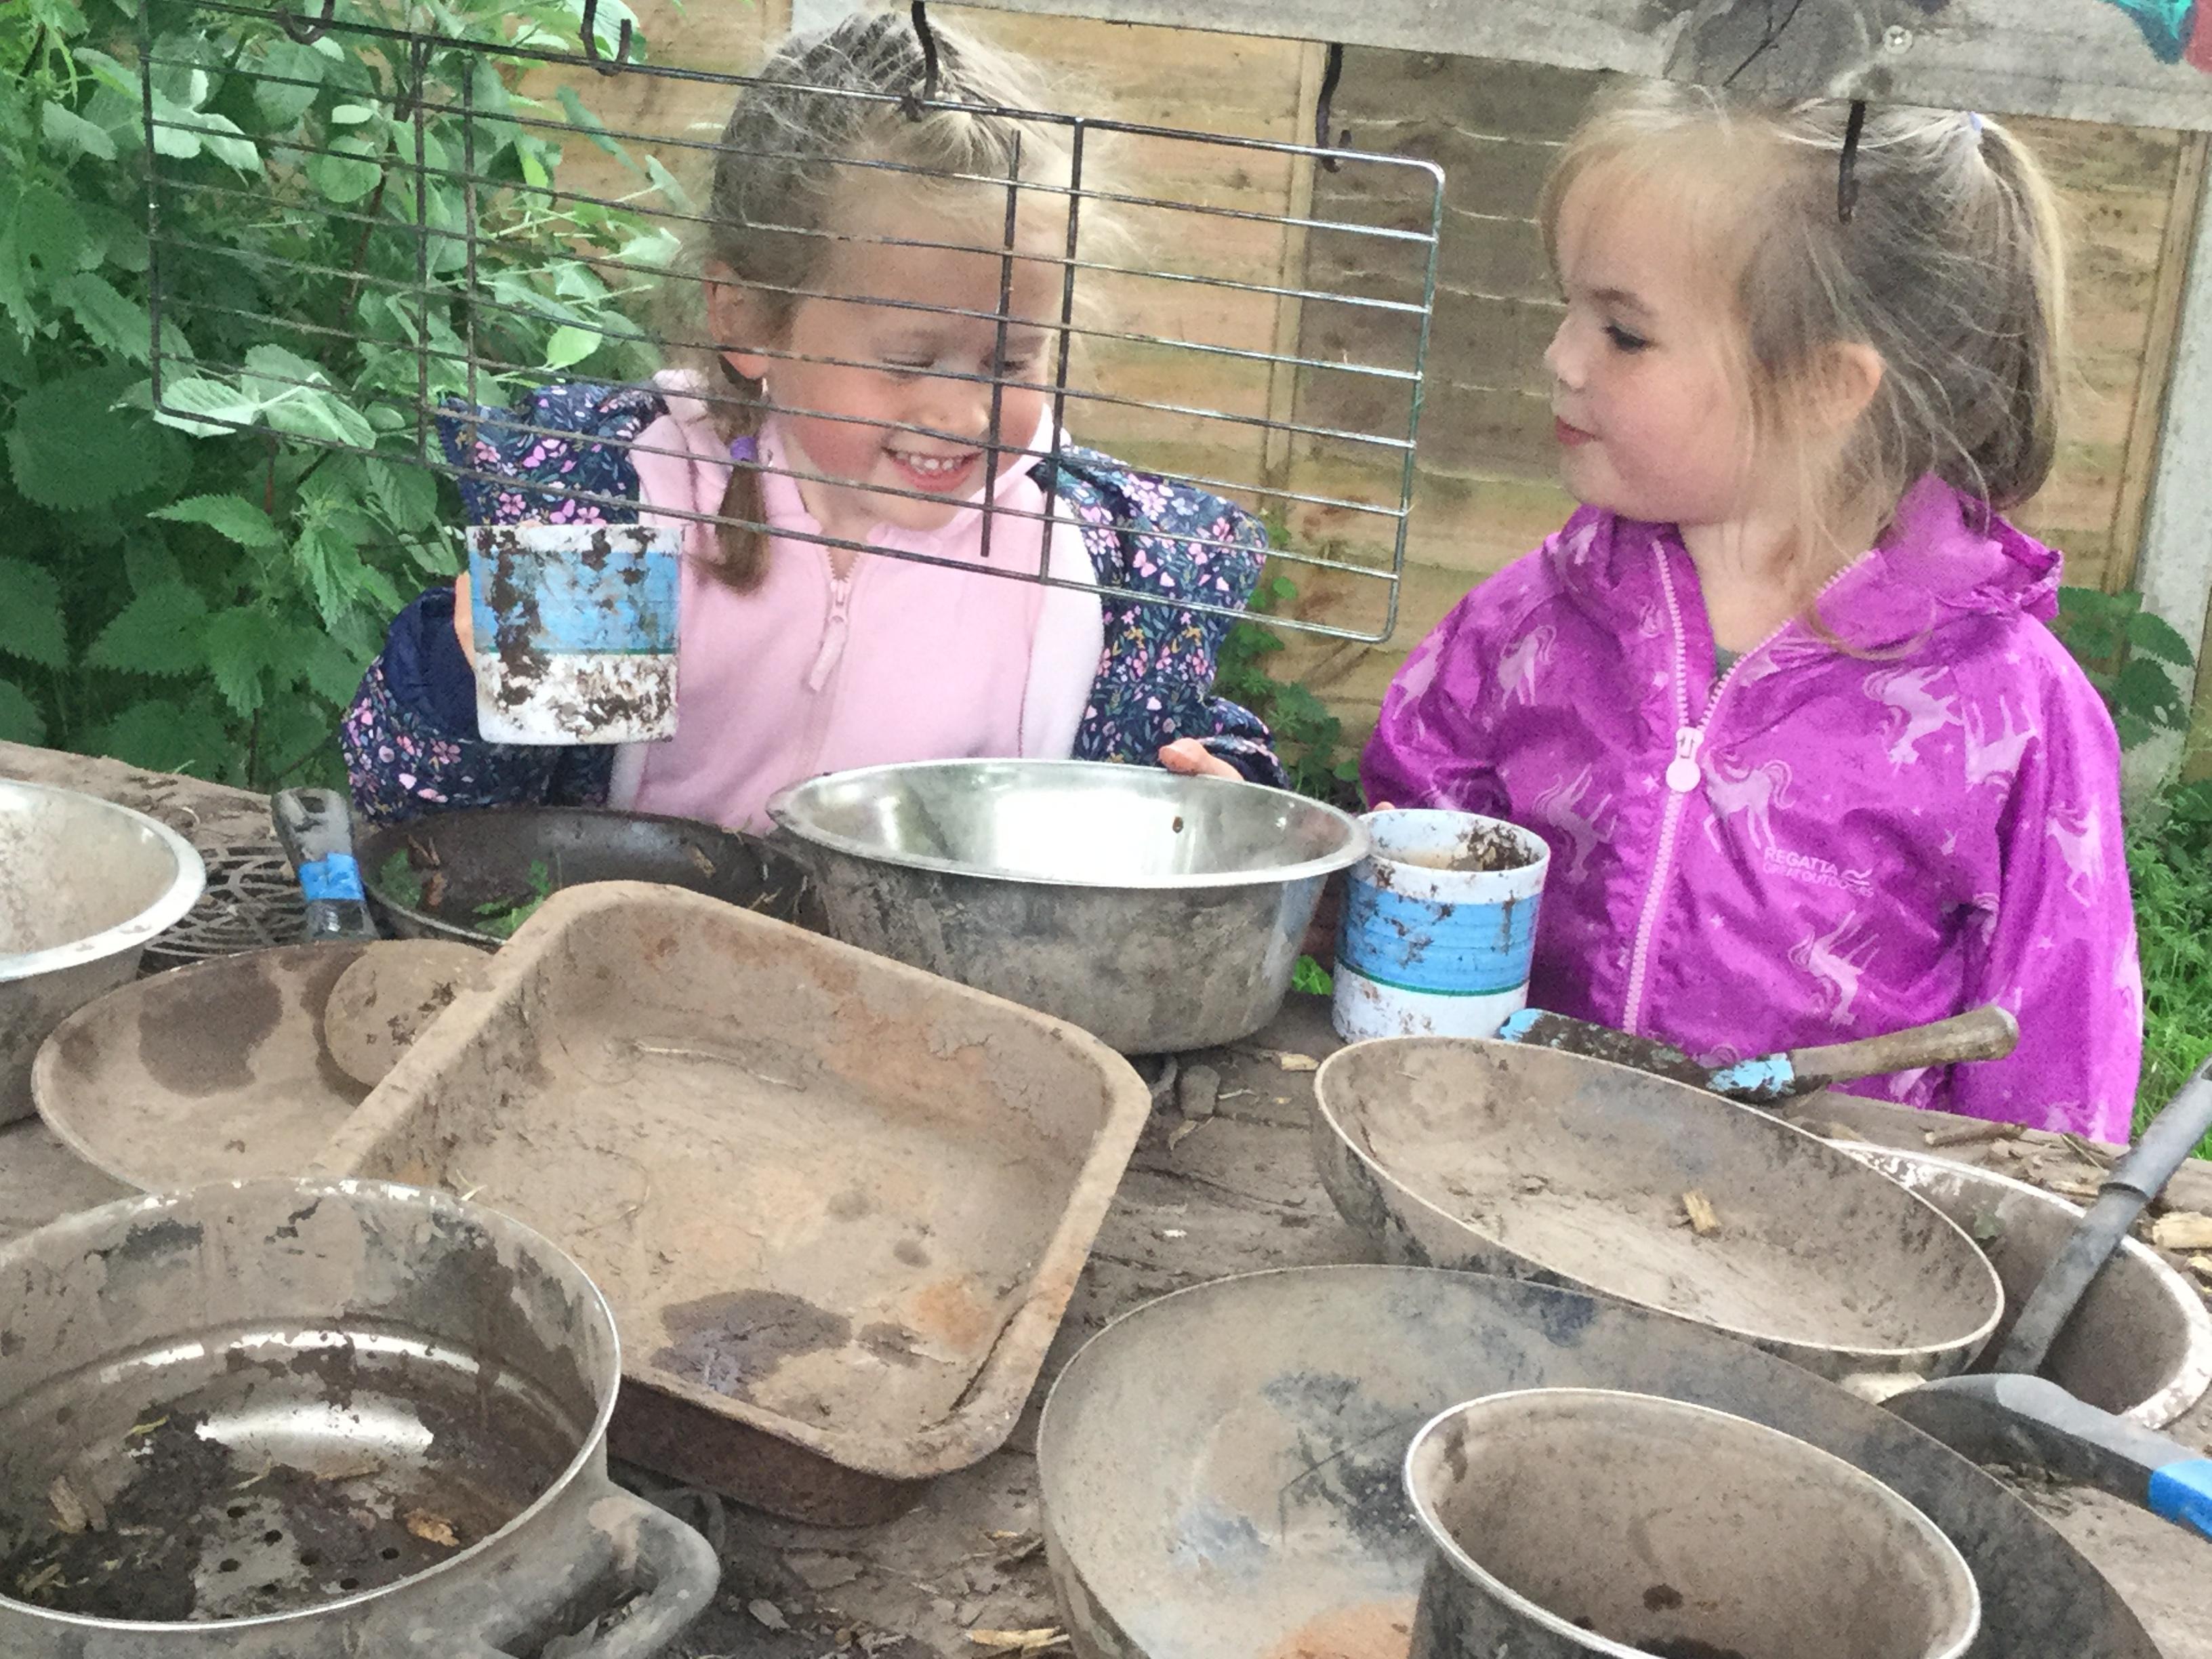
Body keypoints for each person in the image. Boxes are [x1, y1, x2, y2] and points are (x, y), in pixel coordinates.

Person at [1363, 87, 2142, 1141]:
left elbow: (2055, 1063)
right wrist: (1305, 878)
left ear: (1824, 386)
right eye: (1570, 308)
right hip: (1508, 1174)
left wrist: (2028, 1224)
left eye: (1623, 332)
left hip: (1828, 1224)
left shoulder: (2007, 714)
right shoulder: (1524, 630)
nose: (1561, 356)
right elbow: (1408, 880)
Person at [343, 10, 1276, 836]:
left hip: (922, 974)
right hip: (637, 954)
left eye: (1009, 363)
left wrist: (1215, 794)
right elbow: (442, 820)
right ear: (751, 322)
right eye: (910, 361)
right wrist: (466, 691)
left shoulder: (1078, 568)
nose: (965, 413)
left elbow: (1170, 755)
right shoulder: (642, 509)